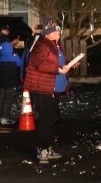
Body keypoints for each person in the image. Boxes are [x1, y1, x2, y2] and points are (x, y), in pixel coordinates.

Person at [23, 17, 76, 164]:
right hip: (43, 88)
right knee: (46, 121)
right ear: (47, 33)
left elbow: (58, 63)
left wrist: (70, 64)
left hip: (54, 88)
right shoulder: (42, 45)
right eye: (54, 31)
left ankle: (48, 147)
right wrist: (59, 69)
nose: (58, 33)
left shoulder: (56, 45)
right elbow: (41, 65)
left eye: (58, 30)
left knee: (52, 119)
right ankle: (43, 150)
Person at [0, 38, 23, 125]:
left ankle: (1, 116)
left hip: (2, 81)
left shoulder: (0, 58)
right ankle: (5, 117)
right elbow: (20, 63)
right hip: (11, 81)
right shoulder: (13, 56)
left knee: (2, 97)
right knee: (9, 98)